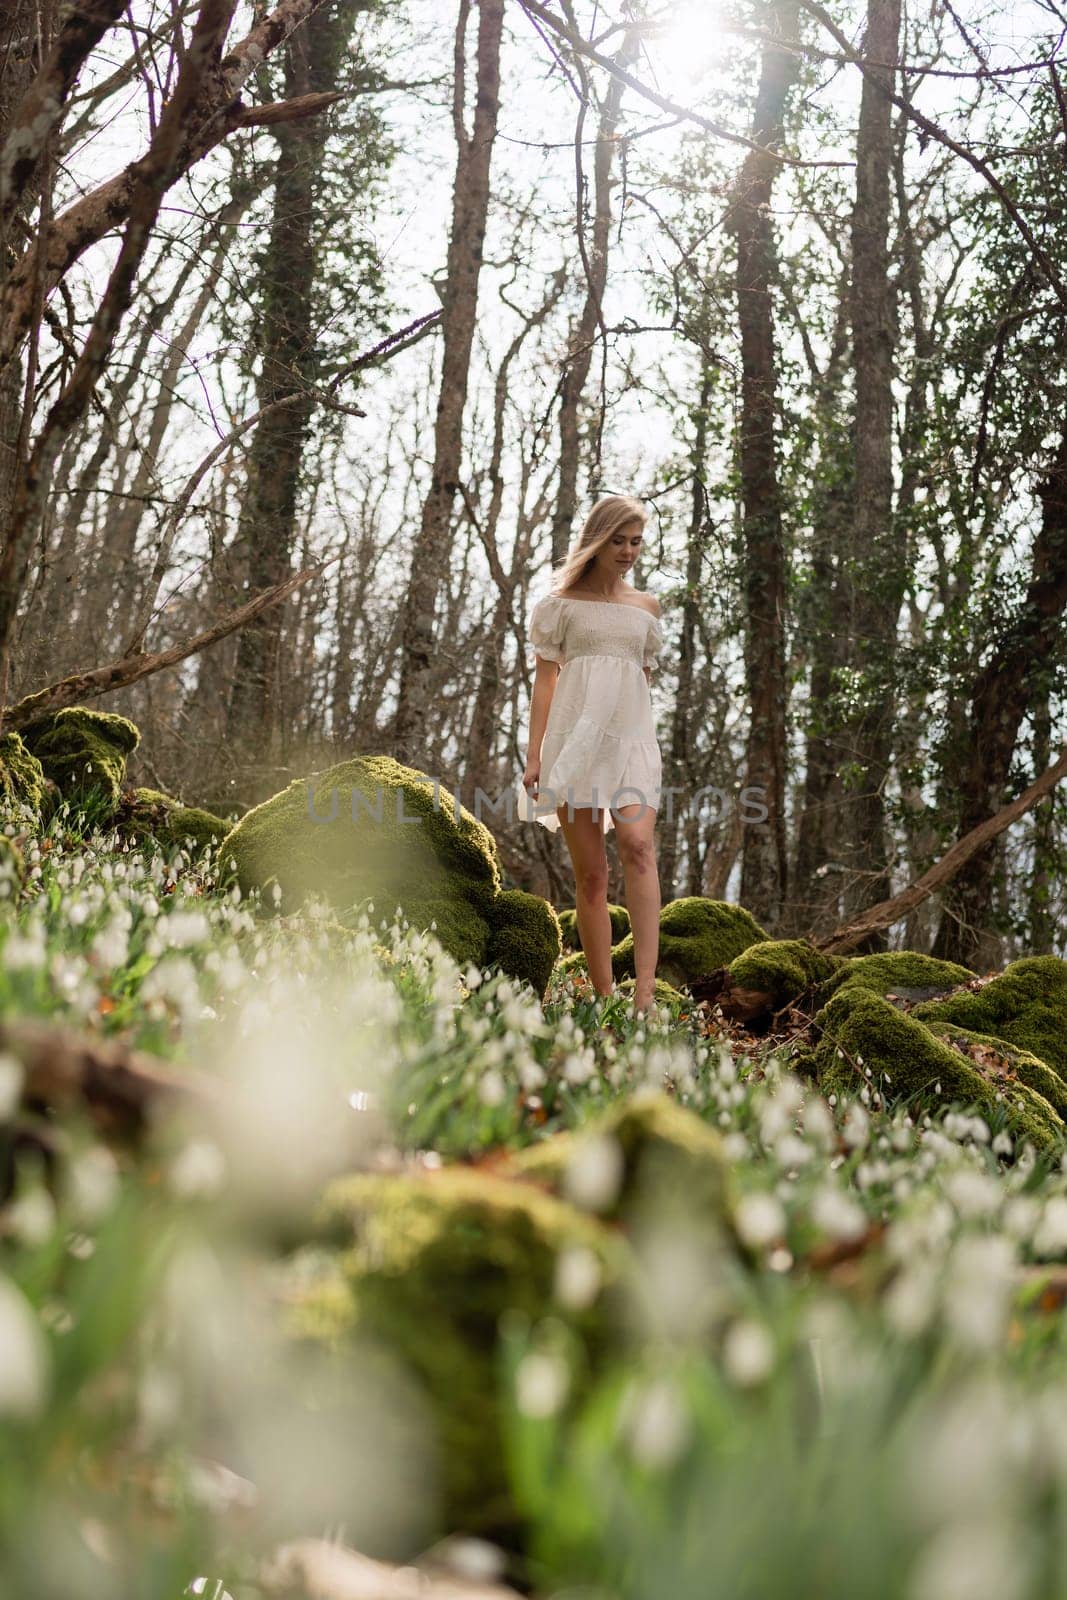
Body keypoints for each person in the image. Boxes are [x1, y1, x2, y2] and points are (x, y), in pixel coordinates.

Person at [519, 495, 665, 1015]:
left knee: (638, 847)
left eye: (635, 542)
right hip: (574, 745)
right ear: (598, 541)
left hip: (631, 744)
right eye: (618, 541)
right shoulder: (560, 605)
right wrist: (535, 756)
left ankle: (644, 993)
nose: (628, 552)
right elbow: (544, 683)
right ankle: (605, 999)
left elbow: (641, 683)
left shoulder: (646, 608)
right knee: (592, 877)